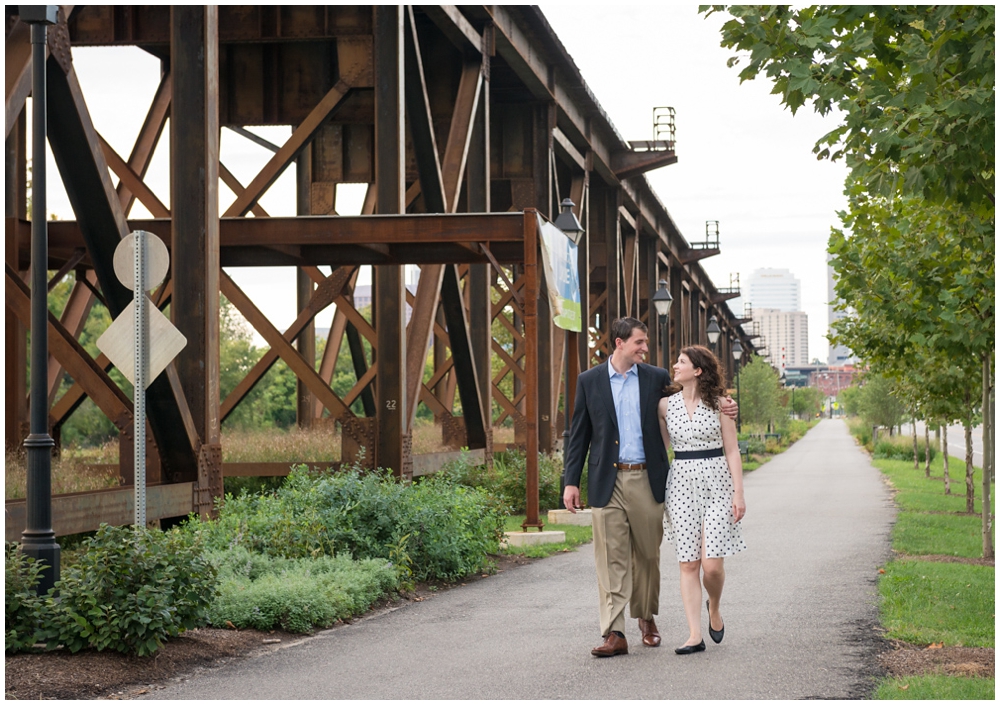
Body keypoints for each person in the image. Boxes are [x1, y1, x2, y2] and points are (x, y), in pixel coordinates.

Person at [563, 318, 737, 657]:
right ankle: (614, 633)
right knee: (609, 557)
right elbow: (579, 434)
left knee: (646, 554)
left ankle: (645, 617)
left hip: (646, 477)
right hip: (606, 480)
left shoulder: (656, 378)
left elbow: (695, 399)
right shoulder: (590, 381)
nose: (645, 348)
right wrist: (571, 481)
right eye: (640, 342)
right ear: (619, 343)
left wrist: (728, 405)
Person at [657, 345, 746, 655]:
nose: (674, 365)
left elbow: (732, 450)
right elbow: (661, 448)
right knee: (688, 563)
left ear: (697, 370)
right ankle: (695, 634)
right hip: (680, 483)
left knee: (711, 567)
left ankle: (715, 607)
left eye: (681, 361)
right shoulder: (665, 406)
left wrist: (739, 492)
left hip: (718, 483)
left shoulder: (721, 405)